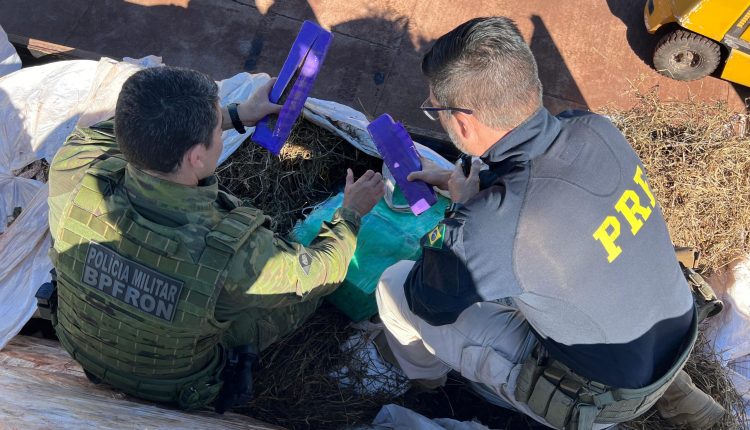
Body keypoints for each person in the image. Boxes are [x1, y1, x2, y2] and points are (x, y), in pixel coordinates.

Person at [375, 17, 724, 429]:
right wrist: (479, 190)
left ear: (463, 122)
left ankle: (429, 387)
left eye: (435, 110)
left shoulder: (494, 228)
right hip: (674, 333)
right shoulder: (595, 128)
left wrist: (465, 215)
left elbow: (427, 301)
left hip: (602, 396)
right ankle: (682, 397)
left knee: (394, 286)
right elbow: (545, 179)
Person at [47, 66, 384, 412]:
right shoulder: (237, 256)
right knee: (302, 298)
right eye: (216, 132)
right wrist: (350, 214)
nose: (220, 137)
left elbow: (109, 134)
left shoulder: (72, 168)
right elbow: (323, 270)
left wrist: (237, 115)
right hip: (176, 384)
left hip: (82, 345)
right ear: (196, 157)